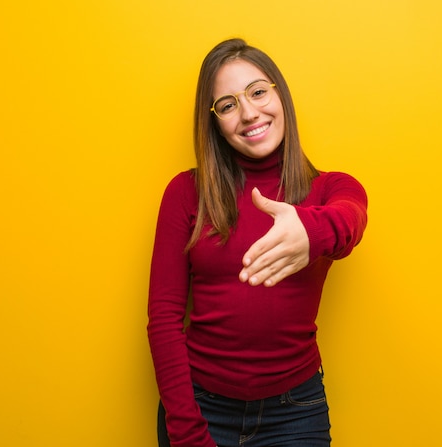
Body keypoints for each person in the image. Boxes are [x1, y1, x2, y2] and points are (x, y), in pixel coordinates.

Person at [147, 38, 368, 447]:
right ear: (213, 120)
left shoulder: (329, 188)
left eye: (258, 91)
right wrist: (189, 432)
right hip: (200, 407)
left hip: (295, 412)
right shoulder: (185, 192)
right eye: (228, 105)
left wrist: (311, 231)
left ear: (280, 95)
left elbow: (352, 216)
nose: (249, 113)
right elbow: (163, 319)